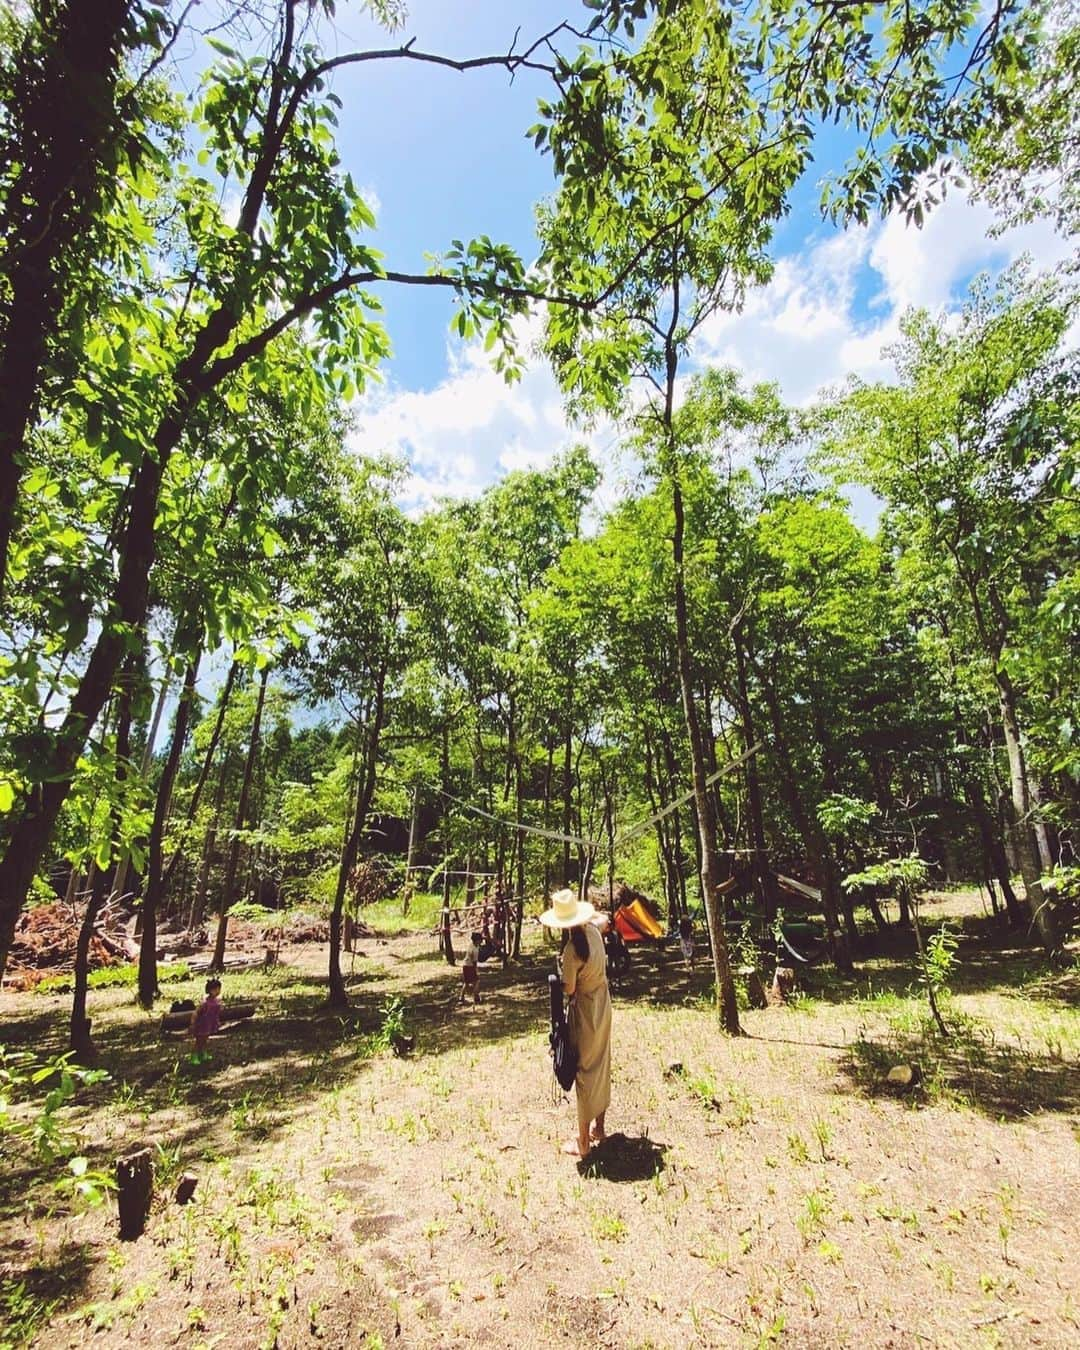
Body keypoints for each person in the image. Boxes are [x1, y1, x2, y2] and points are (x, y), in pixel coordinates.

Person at [540, 888, 612, 1158]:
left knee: (583, 1071)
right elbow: (602, 920)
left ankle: (583, 1143)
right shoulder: (593, 932)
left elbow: (569, 989)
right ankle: (599, 1128)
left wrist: (561, 973)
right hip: (603, 1007)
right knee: (601, 1064)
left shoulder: (572, 949)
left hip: (584, 1012)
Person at [189, 978, 222, 1063]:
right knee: (199, 1041)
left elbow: (216, 1013)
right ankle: (194, 1056)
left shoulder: (216, 1001)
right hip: (202, 1025)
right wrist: (193, 1023)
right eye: (215, 989)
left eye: (219, 989)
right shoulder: (205, 1002)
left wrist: (217, 1021)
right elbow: (196, 1013)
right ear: (210, 990)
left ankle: (203, 1053)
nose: (217, 991)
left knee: (205, 1040)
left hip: (209, 1024)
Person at [459, 931, 482, 1005]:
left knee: (467, 982)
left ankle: (461, 997)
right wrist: (476, 971)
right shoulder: (474, 949)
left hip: (465, 965)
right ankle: (476, 997)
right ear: (477, 940)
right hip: (469, 966)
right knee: (476, 981)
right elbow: (474, 962)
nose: (481, 941)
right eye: (480, 940)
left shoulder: (472, 945)